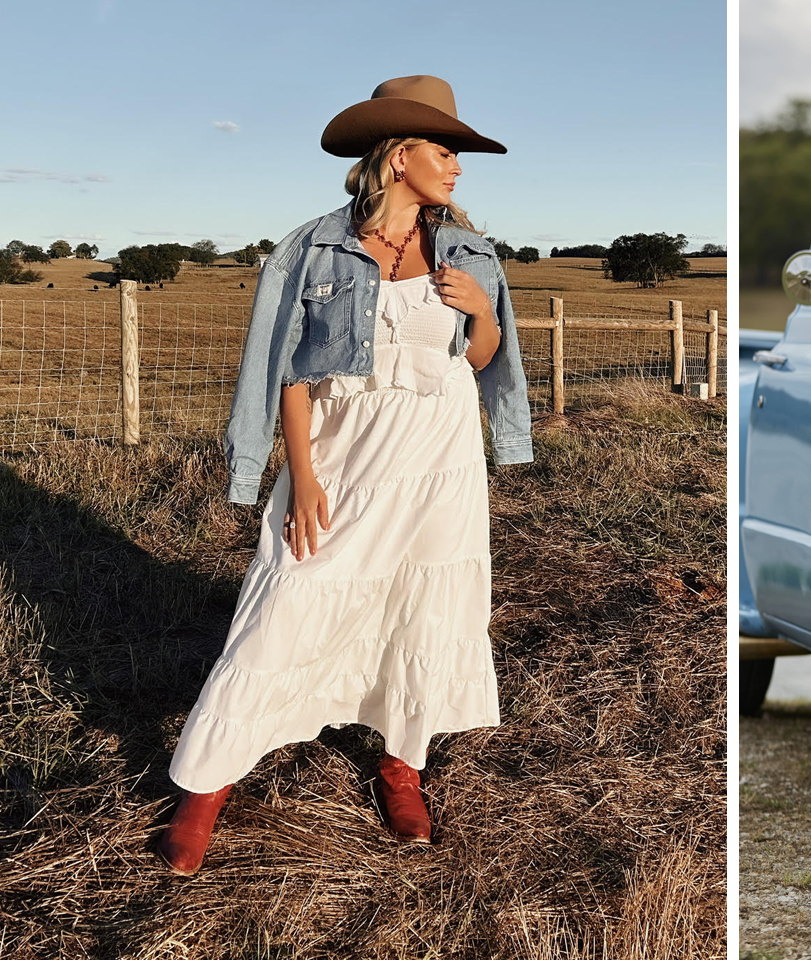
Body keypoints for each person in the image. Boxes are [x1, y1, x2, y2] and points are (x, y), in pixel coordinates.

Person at [154, 75, 532, 875]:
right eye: (445, 150)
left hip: (440, 456)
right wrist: (302, 472)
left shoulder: (470, 252)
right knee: (288, 600)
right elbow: (288, 371)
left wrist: (487, 314)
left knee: (419, 605)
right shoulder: (313, 247)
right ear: (398, 158)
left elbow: (480, 361)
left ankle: (401, 766)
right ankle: (205, 788)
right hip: (345, 453)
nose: (457, 167)